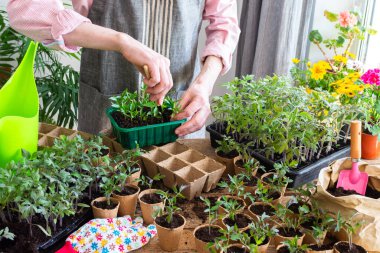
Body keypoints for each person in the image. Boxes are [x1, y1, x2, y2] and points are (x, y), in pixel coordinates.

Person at [7, 0, 240, 137]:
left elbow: (224, 23)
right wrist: (121, 41)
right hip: (105, 113)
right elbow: (25, 8)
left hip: (180, 115)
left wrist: (204, 84)